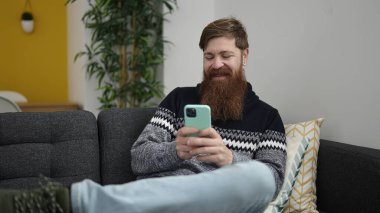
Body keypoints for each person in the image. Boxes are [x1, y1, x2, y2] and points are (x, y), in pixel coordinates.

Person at [1, 17, 286, 213]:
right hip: (159, 202)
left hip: (224, 206)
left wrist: (228, 159)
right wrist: (177, 150)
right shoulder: (178, 99)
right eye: (209, 57)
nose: (216, 64)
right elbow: (139, 158)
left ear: (244, 56)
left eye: (226, 55)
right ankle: (67, 202)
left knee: (259, 178)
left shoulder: (269, 118)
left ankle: (73, 203)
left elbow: (272, 183)